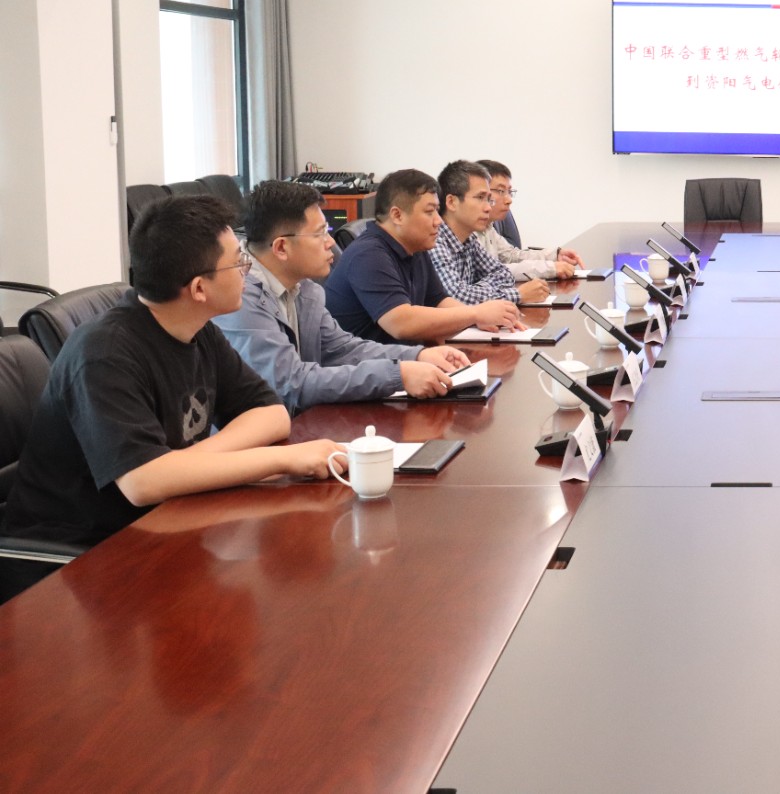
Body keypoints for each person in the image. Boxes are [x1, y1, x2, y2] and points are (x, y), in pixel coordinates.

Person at [0, 196, 347, 582]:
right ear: (199, 288)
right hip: (75, 559)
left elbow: (271, 414)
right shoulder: (104, 352)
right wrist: (283, 460)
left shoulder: (197, 329)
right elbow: (142, 482)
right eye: (238, 262)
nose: (247, 272)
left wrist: (186, 463)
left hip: (162, 520)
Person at [214, 180, 471, 414]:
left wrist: (416, 356)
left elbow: (342, 349)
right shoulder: (242, 299)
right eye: (320, 233)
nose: (330, 243)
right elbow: (291, 384)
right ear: (281, 247)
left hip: (303, 424)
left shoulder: (304, 288)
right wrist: (396, 375)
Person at [325, 169, 524, 344]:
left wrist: (478, 320)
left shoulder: (416, 247)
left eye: (437, 211)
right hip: (366, 367)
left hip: (403, 358)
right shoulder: (368, 254)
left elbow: (439, 300)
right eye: (430, 212)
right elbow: (400, 322)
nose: (439, 221)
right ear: (397, 215)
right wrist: (475, 314)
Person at [429, 160, 550, 307]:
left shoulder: (469, 240)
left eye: (488, 199)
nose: (487, 207)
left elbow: (504, 275)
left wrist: (474, 289)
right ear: (451, 202)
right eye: (480, 198)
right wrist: (517, 295)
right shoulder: (435, 242)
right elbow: (456, 297)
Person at [475, 158, 583, 285]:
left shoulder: (488, 228)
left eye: (509, 192)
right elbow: (492, 272)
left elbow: (511, 256)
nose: (509, 200)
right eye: (501, 191)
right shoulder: (469, 231)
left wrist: (554, 255)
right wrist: (549, 268)